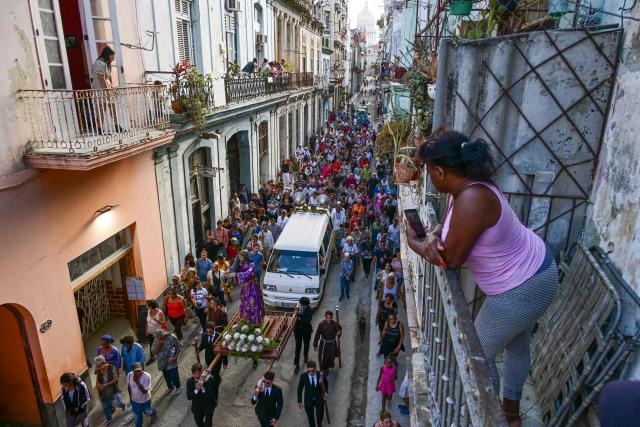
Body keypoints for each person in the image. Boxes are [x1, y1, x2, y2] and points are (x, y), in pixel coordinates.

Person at [406, 131, 559, 425]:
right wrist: (438, 232)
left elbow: (447, 259)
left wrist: (416, 243)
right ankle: (511, 416)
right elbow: (454, 231)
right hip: (535, 272)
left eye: (428, 172)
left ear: (440, 171)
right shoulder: (464, 190)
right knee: (516, 344)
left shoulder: (472, 198)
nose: (428, 178)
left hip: (524, 286)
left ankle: (491, 418)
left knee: (478, 353)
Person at [227, 250, 265, 325]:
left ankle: (256, 320)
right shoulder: (239, 264)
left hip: (252, 286)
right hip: (244, 287)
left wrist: (235, 274)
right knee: (245, 303)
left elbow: (247, 273)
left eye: (241, 257)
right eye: (239, 257)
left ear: (245, 257)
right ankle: (246, 319)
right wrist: (227, 272)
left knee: (253, 303)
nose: (240, 259)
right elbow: (231, 269)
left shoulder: (252, 264)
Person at [91, 46, 122, 133]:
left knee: (112, 107)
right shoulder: (99, 63)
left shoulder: (105, 64)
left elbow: (107, 79)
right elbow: (101, 79)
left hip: (106, 87)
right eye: (112, 57)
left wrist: (112, 89)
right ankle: (100, 128)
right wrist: (107, 91)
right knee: (102, 108)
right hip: (101, 89)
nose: (113, 59)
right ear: (107, 55)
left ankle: (117, 126)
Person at [94, 355, 126, 424]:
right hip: (103, 392)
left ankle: (123, 405)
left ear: (103, 363)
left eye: (99, 366)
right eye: (97, 366)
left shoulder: (111, 368)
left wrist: (105, 385)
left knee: (115, 403)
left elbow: (116, 379)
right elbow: (97, 380)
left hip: (112, 390)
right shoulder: (98, 370)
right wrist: (97, 385)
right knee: (105, 407)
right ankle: (109, 419)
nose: (98, 368)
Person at [187, 363, 219, 427]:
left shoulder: (208, 379)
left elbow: (211, 394)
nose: (197, 375)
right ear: (192, 374)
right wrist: (196, 390)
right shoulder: (190, 382)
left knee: (208, 424)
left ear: (201, 372)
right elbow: (189, 397)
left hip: (208, 405)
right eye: (195, 374)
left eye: (198, 373)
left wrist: (203, 388)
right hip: (198, 406)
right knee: (198, 422)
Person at [297, 361, 328, 427]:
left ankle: (319, 424)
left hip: (319, 399)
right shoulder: (303, 376)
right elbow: (300, 389)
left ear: (315, 369)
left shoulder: (321, 375)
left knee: (319, 416)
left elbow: (326, 383)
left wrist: (325, 392)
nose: (310, 372)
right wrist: (299, 401)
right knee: (310, 419)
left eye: (312, 371)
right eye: (309, 371)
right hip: (308, 400)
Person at [152, 329, 183, 394]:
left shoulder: (171, 337)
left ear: (162, 335)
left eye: (157, 336)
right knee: (167, 376)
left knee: (174, 375)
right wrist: (159, 345)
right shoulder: (156, 340)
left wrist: (175, 358)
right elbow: (153, 352)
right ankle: (170, 387)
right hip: (162, 362)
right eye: (156, 337)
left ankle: (178, 387)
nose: (156, 338)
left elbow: (178, 347)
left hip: (171, 360)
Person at [127, 363, 155, 427]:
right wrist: (130, 397)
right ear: (133, 371)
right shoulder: (129, 375)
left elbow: (144, 392)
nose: (138, 373)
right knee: (138, 420)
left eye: (139, 371)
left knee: (147, 412)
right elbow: (129, 387)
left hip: (145, 400)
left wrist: (137, 381)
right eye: (136, 371)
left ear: (142, 369)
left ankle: (153, 414)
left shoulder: (147, 376)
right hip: (135, 402)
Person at [294, 297, 314, 374]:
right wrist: (295, 314)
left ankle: (305, 356)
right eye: (301, 305)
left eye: (303, 305)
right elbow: (294, 317)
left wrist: (298, 315)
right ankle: (297, 365)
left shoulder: (310, 310)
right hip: (297, 331)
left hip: (306, 331)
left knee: (306, 345)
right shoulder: (298, 307)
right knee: (297, 348)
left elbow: (307, 321)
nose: (301, 306)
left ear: (306, 305)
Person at [146, 300, 166, 364]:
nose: (147, 306)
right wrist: (146, 330)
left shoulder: (159, 312)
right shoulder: (149, 311)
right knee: (151, 345)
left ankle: (163, 356)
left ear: (151, 307)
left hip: (157, 333)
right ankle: (152, 357)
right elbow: (147, 321)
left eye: (148, 306)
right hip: (150, 332)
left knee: (159, 344)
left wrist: (157, 320)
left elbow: (163, 322)